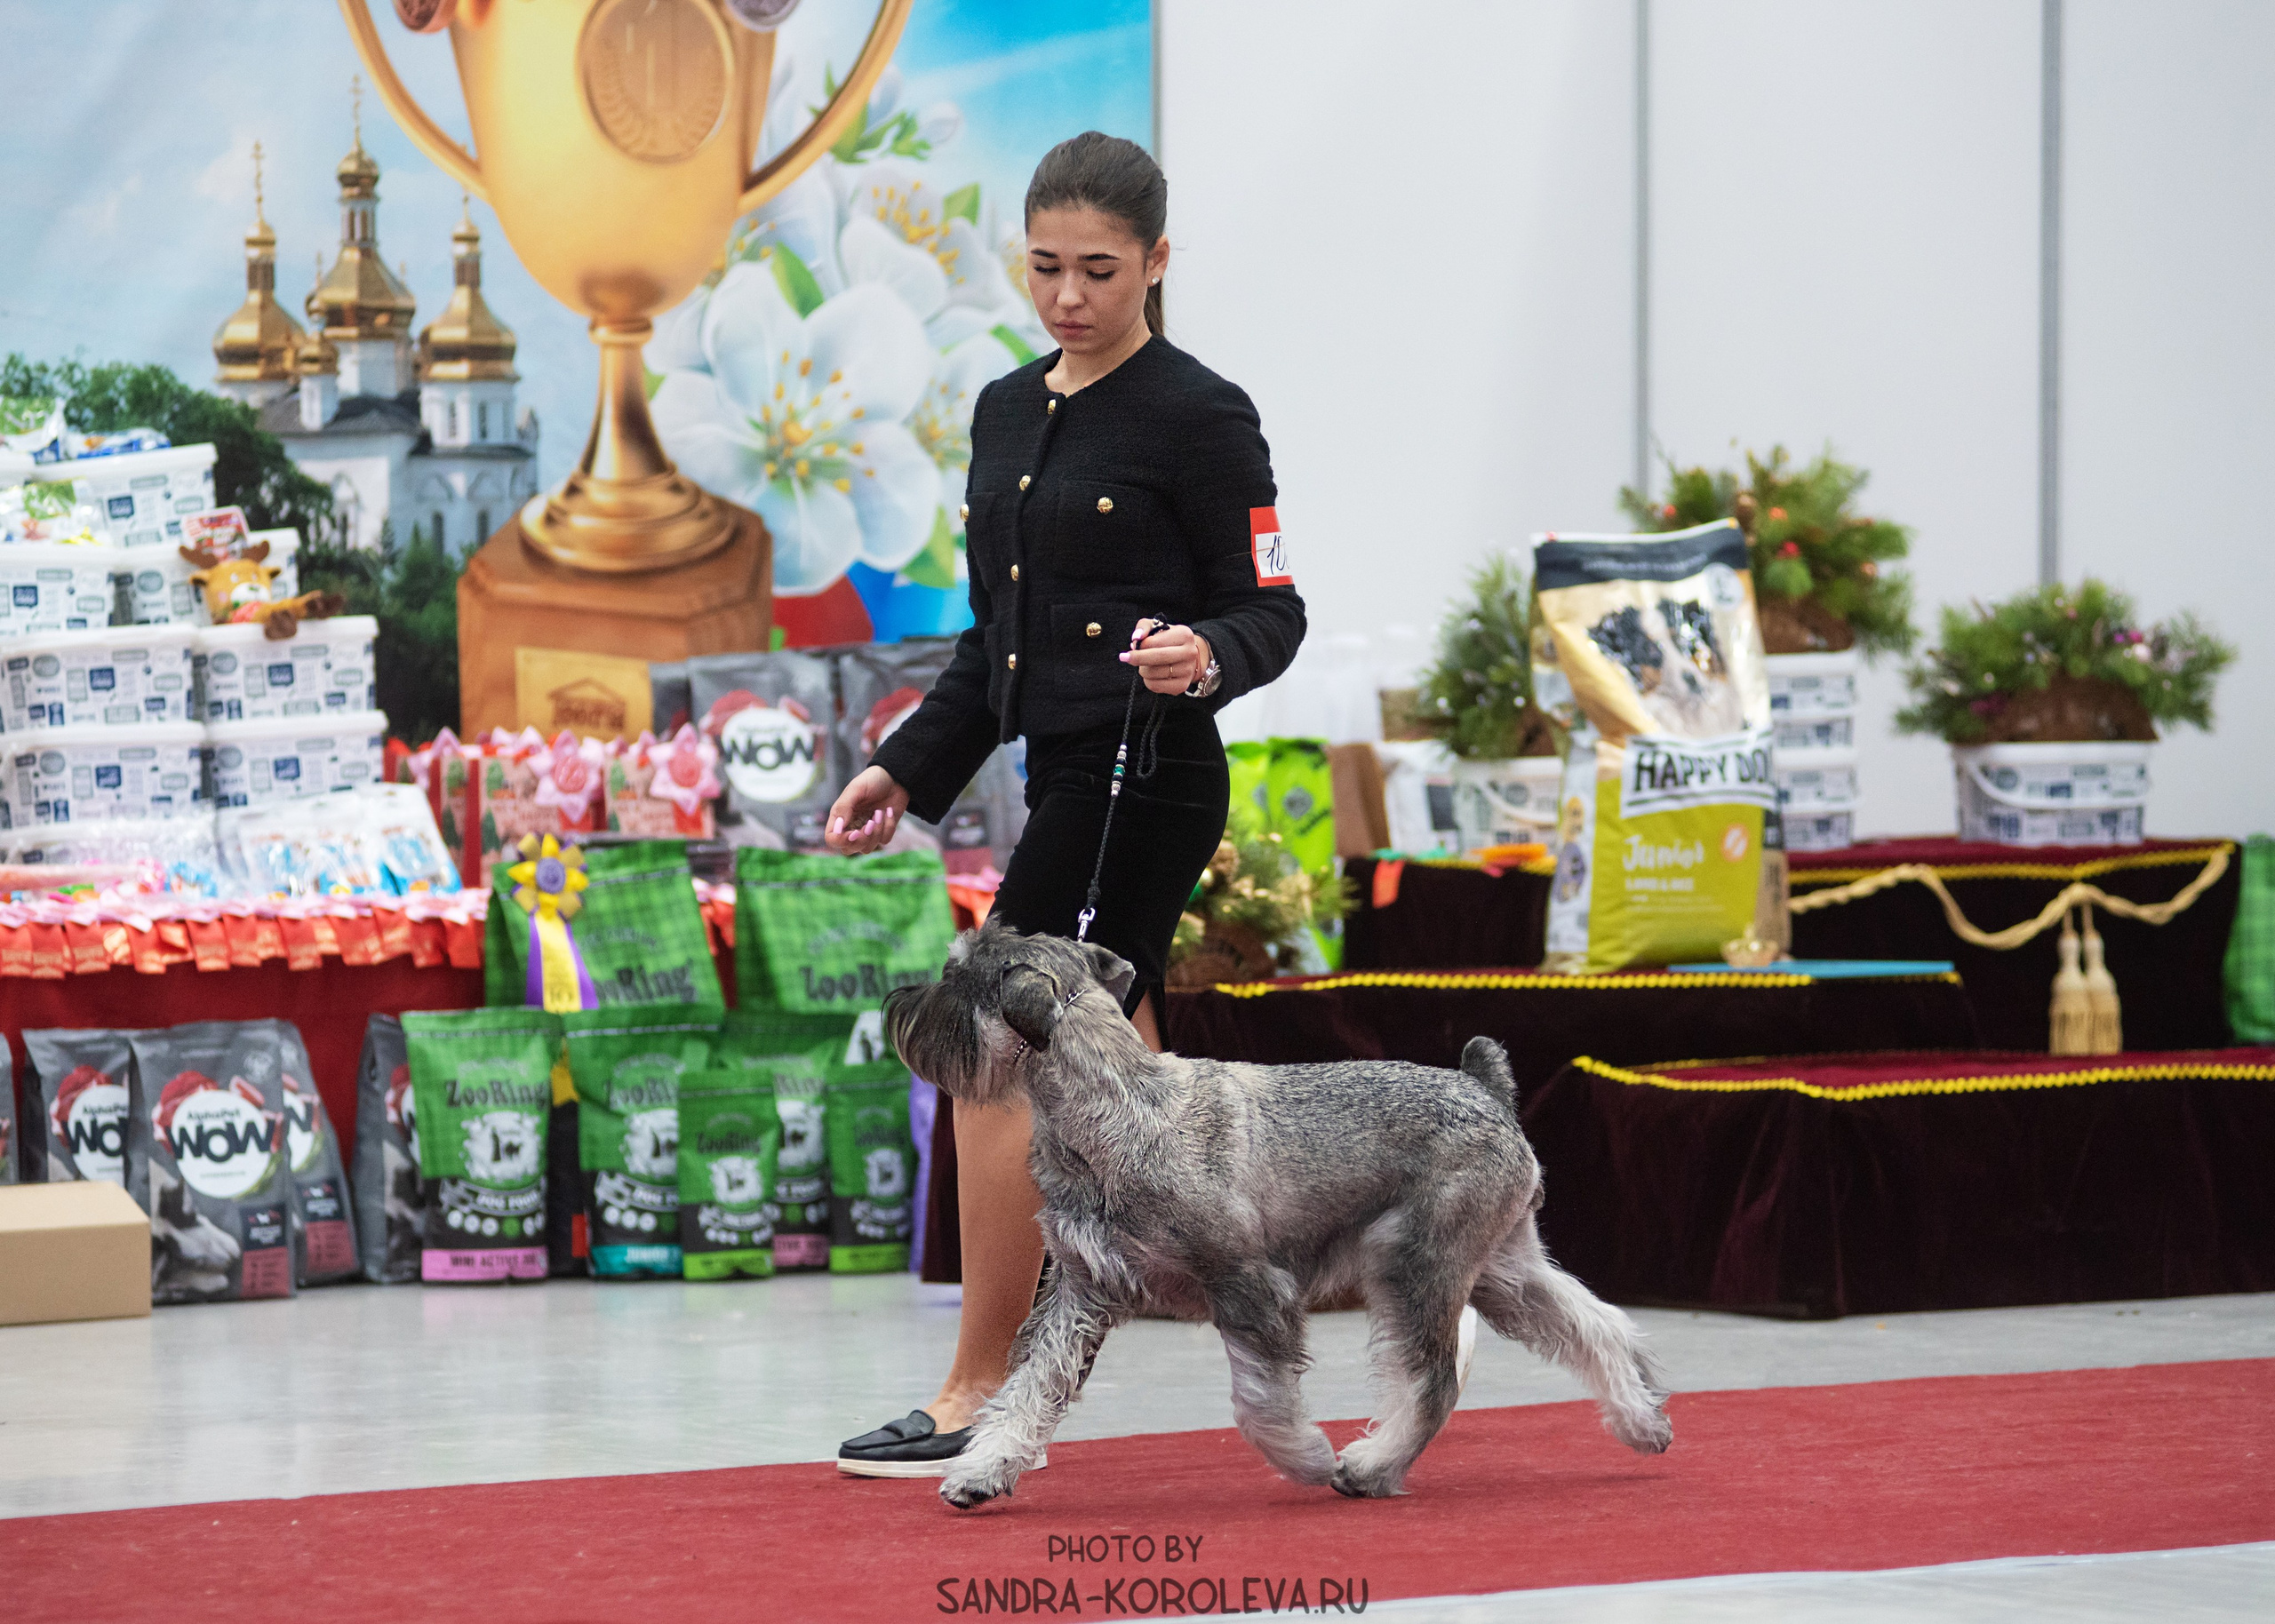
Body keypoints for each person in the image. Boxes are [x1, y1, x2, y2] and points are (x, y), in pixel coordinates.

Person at [829, 131, 1306, 1477]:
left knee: (992, 1050)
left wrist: (1208, 654)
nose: (1068, 297)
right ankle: (1263, 1314)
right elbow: (995, 649)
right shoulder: (1001, 411)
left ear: (1157, 263)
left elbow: (1272, 607)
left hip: (1146, 778)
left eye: (1100, 271)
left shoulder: (1204, 416)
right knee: (1130, 1099)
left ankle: (983, 1386)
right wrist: (907, 767)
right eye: (1045, 268)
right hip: (1060, 780)